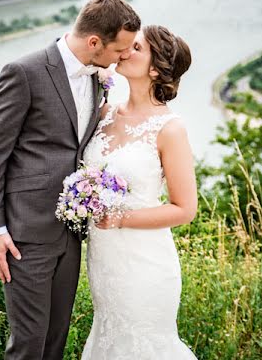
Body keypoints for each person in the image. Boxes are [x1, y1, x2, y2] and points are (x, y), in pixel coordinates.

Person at [0, 0, 141, 360]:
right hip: (25, 234)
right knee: (28, 346)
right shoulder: (24, 72)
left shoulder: (100, 77)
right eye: (120, 50)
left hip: (70, 234)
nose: (124, 58)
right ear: (95, 41)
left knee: (54, 343)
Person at [81, 25, 198, 359]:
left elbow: (184, 208)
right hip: (105, 262)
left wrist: (121, 218)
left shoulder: (170, 129)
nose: (124, 51)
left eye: (135, 48)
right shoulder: (104, 114)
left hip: (144, 264)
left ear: (155, 69)